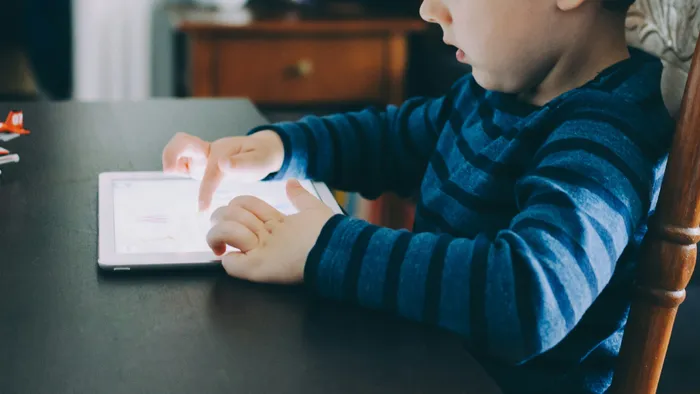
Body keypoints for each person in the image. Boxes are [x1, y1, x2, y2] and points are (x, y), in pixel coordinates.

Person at [161, 0, 675, 392]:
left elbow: (528, 296)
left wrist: (325, 245)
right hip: (426, 359)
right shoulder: (495, 93)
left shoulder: (610, 133)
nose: (430, 9)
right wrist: (277, 148)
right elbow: (391, 138)